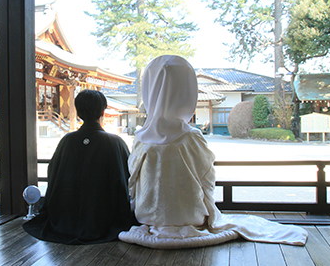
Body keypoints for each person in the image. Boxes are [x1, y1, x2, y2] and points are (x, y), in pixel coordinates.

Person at [118, 55, 308, 249]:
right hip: (188, 214)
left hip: (147, 214)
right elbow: (207, 177)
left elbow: (133, 181)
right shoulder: (190, 136)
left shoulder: (141, 137)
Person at [23, 89, 137, 244]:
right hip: (104, 218)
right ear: (102, 111)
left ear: (78, 112)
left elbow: (53, 175)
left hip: (65, 218)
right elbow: (129, 178)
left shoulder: (67, 141)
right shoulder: (115, 142)